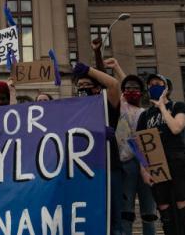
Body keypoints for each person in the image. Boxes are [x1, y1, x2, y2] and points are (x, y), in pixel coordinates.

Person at [136, 73, 185, 235]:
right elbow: (140, 145)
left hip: (177, 160)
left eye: (158, 83)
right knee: (164, 208)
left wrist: (162, 106)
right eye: (151, 84)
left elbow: (176, 127)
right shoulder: (145, 115)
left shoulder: (178, 106)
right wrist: (143, 170)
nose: (154, 86)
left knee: (183, 205)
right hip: (156, 163)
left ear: (166, 88)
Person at [72, 57, 122, 235]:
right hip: (85, 171)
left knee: (115, 218)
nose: (82, 88)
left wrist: (88, 70)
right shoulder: (73, 111)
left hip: (110, 168)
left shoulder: (107, 106)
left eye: (86, 84)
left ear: (96, 88)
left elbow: (114, 85)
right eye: (79, 86)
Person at [116, 74, 157, 235]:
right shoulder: (120, 107)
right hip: (126, 164)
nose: (131, 90)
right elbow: (117, 84)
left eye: (135, 88)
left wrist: (144, 166)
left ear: (141, 92)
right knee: (126, 211)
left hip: (146, 164)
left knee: (149, 212)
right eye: (127, 88)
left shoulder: (145, 113)